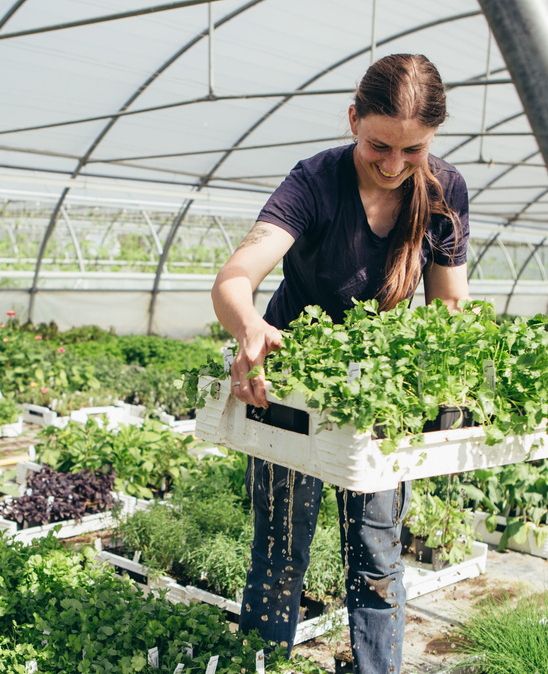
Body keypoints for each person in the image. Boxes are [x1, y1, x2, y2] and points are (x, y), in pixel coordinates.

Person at [209, 53, 470, 674]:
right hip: (291, 387)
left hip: (379, 396)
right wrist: (249, 327)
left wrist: (442, 378)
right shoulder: (315, 182)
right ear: (353, 119)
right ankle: (263, 663)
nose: (394, 165)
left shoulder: (445, 190)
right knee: (280, 549)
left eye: (413, 150)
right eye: (379, 145)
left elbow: (449, 305)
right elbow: (235, 278)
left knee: (377, 553)